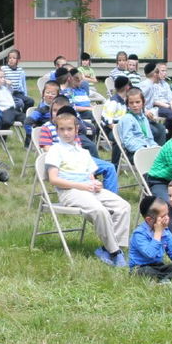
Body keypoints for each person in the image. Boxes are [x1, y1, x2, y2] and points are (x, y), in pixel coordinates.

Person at [44, 112, 132, 266]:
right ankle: (115, 252)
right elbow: (53, 179)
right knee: (99, 210)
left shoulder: (83, 152)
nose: (66, 133)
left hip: (89, 189)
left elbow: (90, 176)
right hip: (69, 192)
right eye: (62, 129)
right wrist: (81, 186)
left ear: (76, 130)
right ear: (57, 131)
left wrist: (96, 183)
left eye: (69, 129)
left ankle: (107, 248)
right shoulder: (55, 150)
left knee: (123, 207)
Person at [128, 197, 172, 281]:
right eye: (163, 216)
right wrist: (158, 233)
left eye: (167, 214)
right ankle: (170, 278)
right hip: (141, 268)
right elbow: (150, 254)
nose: (167, 218)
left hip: (159, 267)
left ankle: (164, 280)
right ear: (149, 219)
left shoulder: (165, 231)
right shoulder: (139, 234)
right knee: (146, 272)